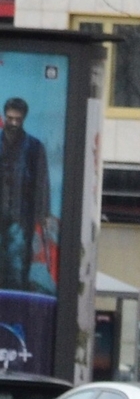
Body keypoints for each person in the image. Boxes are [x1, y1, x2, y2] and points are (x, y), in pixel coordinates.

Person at [0, 97, 55, 296]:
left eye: (17, 119)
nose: (13, 123)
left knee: (17, 267)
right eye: (10, 118)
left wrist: (43, 214)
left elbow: (42, 182)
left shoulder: (34, 147)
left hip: (22, 217)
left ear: (24, 119)